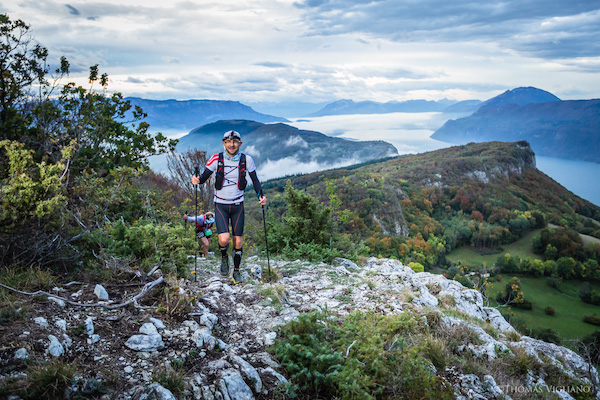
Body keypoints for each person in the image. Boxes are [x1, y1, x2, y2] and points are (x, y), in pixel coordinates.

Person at [192, 130, 267, 283]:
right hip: (221, 204)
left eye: (235, 142)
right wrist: (196, 180)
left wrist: (261, 195)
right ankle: (224, 257)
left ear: (240, 143)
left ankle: (236, 271)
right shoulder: (216, 159)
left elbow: (255, 179)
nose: (232, 145)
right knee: (224, 239)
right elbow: (203, 178)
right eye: (228, 142)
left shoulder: (247, 160)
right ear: (224, 143)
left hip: (238, 204)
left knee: (238, 241)